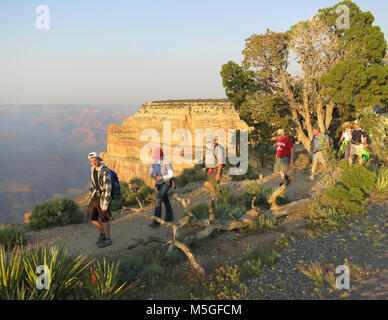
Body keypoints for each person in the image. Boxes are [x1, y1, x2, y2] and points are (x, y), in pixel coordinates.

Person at [87, 152, 113, 248]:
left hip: (103, 198)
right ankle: (102, 233)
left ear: (99, 159)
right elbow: (92, 184)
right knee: (92, 217)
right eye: (91, 161)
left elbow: (108, 188)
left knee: (104, 218)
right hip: (95, 197)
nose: (94, 162)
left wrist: (105, 204)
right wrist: (91, 195)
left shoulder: (105, 171)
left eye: (95, 160)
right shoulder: (92, 169)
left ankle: (108, 238)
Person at [148, 148, 174, 227]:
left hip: (166, 183)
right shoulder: (155, 162)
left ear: (161, 155)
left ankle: (156, 221)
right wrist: (151, 174)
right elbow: (151, 171)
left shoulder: (167, 162)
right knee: (165, 199)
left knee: (158, 199)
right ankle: (169, 217)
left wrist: (162, 177)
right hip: (159, 184)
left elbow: (171, 174)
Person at [204, 135, 226, 201]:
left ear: (213, 141)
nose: (207, 143)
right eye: (207, 142)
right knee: (209, 184)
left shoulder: (217, 148)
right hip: (210, 170)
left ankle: (216, 199)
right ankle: (218, 197)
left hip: (215, 170)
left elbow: (220, 161)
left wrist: (218, 173)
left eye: (209, 142)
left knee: (212, 185)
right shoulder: (210, 148)